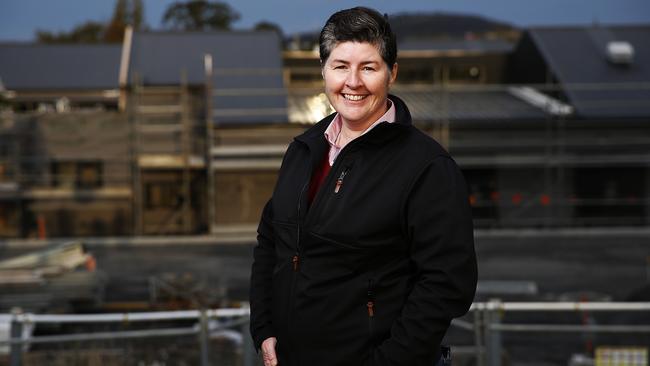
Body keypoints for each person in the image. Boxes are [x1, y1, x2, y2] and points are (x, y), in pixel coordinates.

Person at [250, 7, 477, 366]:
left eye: (368, 67)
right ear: (323, 71)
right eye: (341, 66)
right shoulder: (304, 149)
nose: (352, 82)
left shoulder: (426, 167)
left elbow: (447, 283)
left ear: (392, 73)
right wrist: (263, 329)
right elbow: (270, 242)